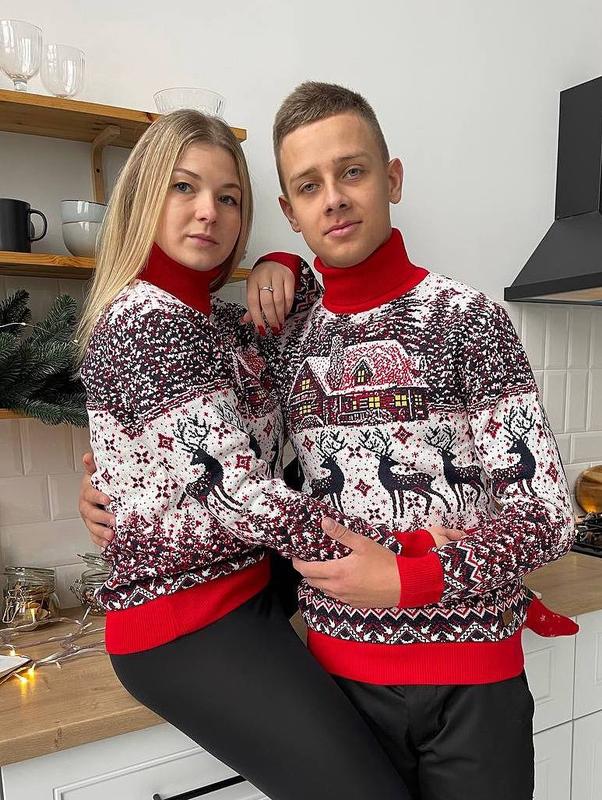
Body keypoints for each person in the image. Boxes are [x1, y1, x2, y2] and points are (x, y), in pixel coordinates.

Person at [80, 85, 576, 799]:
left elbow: (550, 517)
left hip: (473, 679)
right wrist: (115, 486)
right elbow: (208, 457)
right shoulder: (285, 339)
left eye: (353, 172)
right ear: (289, 210)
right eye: (309, 186)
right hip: (340, 676)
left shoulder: (468, 320)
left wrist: (411, 577)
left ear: (392, 178)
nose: (335, 200)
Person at [76, 107, 416, 800]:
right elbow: (239, 493)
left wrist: (280, 261)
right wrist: (396, 564)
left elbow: (328, 307)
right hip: (188, 624)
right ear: (142, 197)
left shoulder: (219, 323)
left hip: (250, 594)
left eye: (228, 198)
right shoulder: (143, 322)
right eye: (183, 187)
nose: (209, 211)